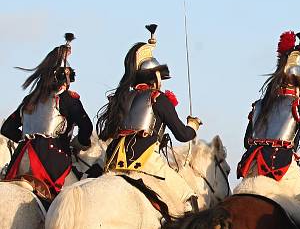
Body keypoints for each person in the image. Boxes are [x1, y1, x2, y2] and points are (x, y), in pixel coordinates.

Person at [96, 24, 201, 215]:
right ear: (156, 76)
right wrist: (193, 125)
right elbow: (183, 135)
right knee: (188, 197)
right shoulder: (157, 98)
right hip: (146, 162)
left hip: (113, 161)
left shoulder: (120, 99)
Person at [234, 31, 300, 214]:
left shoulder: (259, 105)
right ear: (298, 84)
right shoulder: (299, 105)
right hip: (281, 166)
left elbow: (246, 140)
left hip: (253, 167)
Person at [2, 33, 92, 199]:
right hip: (51, 159)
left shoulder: (30, 99)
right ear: (65, 77)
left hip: (22, 157)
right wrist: (78, 144)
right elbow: (87, 127)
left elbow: (7, 129)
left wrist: (27, 138)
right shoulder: (68, 99)